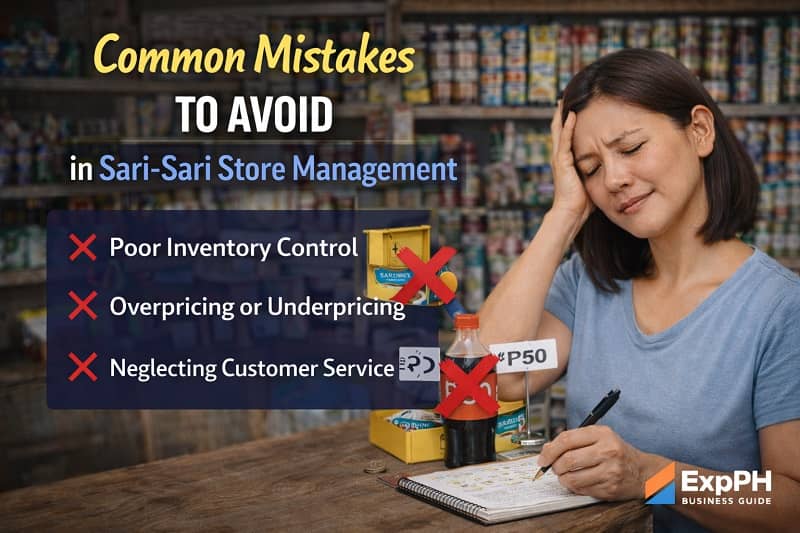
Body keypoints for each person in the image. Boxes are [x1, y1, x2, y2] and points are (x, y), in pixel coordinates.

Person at [481, 49, 800, 532]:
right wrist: (564, 213)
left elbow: (791, 502)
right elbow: (492, 375)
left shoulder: (780, 308)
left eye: (630, 148)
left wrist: (652, 475)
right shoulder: (588, 282)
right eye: (589, 168)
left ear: (699, 131)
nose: (613, 179)